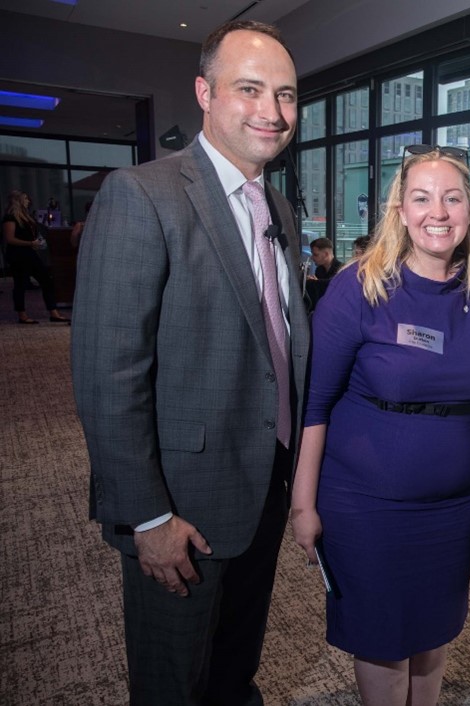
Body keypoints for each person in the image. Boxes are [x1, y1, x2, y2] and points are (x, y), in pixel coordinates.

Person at [71, 20, 308, 705]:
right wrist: (146, 518)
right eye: (250, 89)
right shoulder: (142, 196)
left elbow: (278, 344)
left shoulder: (279, 207)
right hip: (183, 507)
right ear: (205, 92)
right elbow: (107, 375)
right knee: (173, 684)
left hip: (262, 482)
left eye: (286, 95)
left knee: (235, 668)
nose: (272, 111)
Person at [290, 144, 470, 706]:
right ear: (401, 211)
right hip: (368, 504)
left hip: (455, 505)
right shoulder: (360, 287)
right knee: (384, 640)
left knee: (434, 635)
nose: (439, 211)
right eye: (423, 198)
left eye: (452, 198)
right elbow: (315, 405)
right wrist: (303, 505)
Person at [3, 190, 68, 324]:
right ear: (18, 200)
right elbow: (10, 239)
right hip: (18, 255)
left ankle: (53, 313)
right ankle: (22, 315)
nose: (28, 201)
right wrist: (30, 243)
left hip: (29, 253)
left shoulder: (25, 216)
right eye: (25, 198)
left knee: (46, 280)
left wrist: (35, 243)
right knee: (20, 285)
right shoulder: (10, 217)